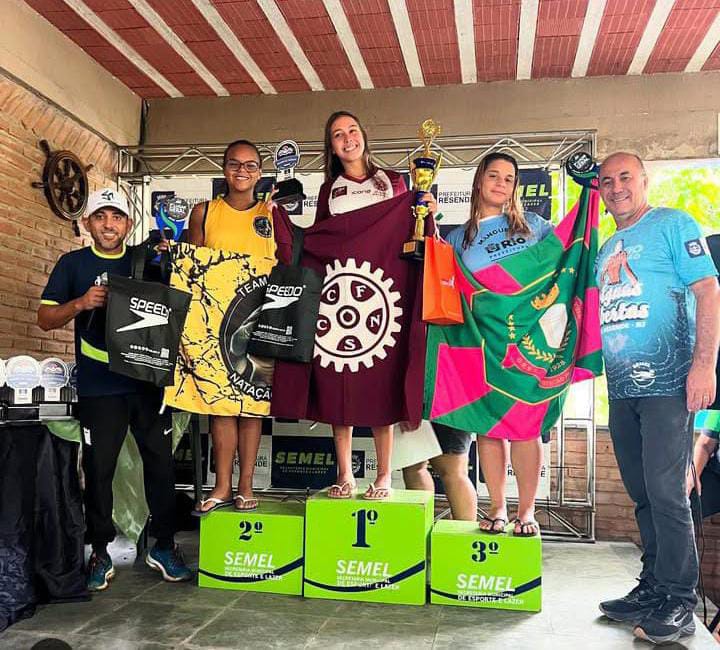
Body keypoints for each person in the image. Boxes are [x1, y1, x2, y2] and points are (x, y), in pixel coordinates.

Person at [38, 188, 191, 591]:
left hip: (147, 384)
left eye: (117, 217)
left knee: (160, 466)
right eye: (101, 216)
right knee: (99, 469)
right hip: (99, 387)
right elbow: (45, 319)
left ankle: (163, 545)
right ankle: (100, 551)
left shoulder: (145, 259)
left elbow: (180, 302)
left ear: (129, 223)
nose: (109, 224)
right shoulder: (73, 264)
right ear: (87, 223)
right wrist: (80, 303)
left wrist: (172, 257)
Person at [595, 152, 720, 644]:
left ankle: (679, 600)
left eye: (625, 177)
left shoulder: (673, 224)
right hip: (622, 388)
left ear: (644, 180)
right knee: (643, 492)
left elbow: (708, 291)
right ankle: (652, 585)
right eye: (607, 181)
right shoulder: (607, 247)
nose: (616, 187)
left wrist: (704, 365)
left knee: (668, 493)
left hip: (669, 383)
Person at [435, 153, 553, 532]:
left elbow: (567, 261)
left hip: (527, 344)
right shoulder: (458, 238)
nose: (501, 183)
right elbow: (444, 288)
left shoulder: (535, 226)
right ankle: (498, 508)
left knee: (526, 425)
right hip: (483, 344)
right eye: (493, 176)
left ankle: (527, 511)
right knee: (489, 427)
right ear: (479, 182)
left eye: (509, 178)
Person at [316, 110, 430, 500]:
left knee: (382, 382)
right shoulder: (329, 190)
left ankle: (383, 476)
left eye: (352, 130)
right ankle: (345, 474)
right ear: (331, 147)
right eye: (337, 135)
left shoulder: (394, 181)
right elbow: (320, 240)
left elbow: (410, 230)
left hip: (385, 294)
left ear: (364, 135)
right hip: (343, 291)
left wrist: (425, 210)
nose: (347, 138)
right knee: (339, 380)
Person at [188, 139, 290, 514]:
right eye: (234, 164)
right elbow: (193, 268)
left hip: (260, 321)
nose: (241, 171)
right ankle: (221, 486)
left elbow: (288, 259)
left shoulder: (271, 212)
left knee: (251, 406)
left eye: (250, 165)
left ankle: (246, 485)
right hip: (215, 322)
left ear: (260, 173)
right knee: (221, 405)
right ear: (224, 169)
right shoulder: (203, 212)